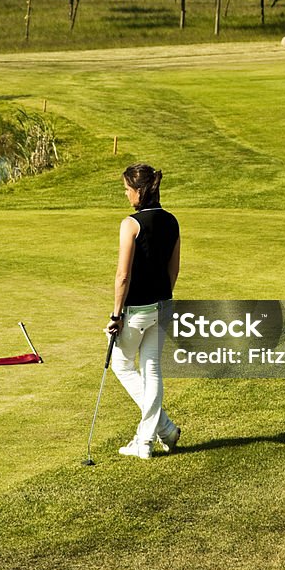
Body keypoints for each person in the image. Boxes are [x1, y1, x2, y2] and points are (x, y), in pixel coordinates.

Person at [107, 163, 182, 460]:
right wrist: (164, 297)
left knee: (122, 365)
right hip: (164, 305)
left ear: (139, 192)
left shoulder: (131, 224)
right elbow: (173, 269)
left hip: (137, 310)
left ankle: (152, 435)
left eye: (127, 189)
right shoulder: (172, 221)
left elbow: (122, 276)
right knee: (151, 369)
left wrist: (116, 314)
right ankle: (157, 435)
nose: (125, 195)